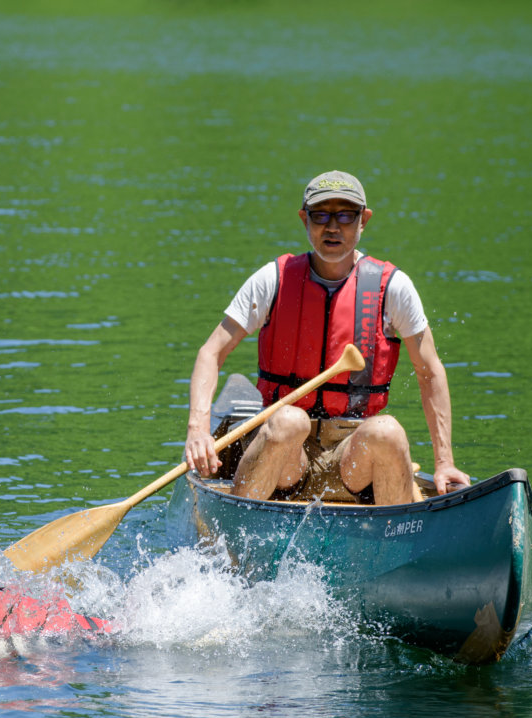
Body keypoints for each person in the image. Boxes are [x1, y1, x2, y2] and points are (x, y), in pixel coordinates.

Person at [184, 170, 470, 505]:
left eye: (346, 215)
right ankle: (233, 536)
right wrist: (198, 431)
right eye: (320, 215)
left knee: (387, 431)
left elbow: (429, 371)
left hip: (353, 459)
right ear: (304, 219)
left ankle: (393, 540)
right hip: (286, 459)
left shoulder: (393, 288)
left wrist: (444, 462)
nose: (332, 227)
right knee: (291, 421)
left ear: (364, 220)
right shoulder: (273, 279)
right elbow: (211, 353)